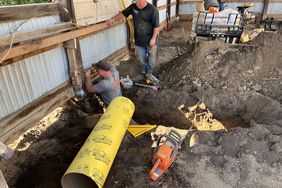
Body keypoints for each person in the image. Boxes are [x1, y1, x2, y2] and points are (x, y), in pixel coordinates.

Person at [107, 0, 159, 79]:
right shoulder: (133, 7)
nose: (137, 3)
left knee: (151, 59)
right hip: (139, 40)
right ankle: (143, 72)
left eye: (139, 1)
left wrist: (153, 38)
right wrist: (113, 19)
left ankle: (149, 72)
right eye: (136, 1)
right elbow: (123, 14)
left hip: (151, 40)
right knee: (142, 59)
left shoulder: (153, 10)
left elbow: (156, 26)